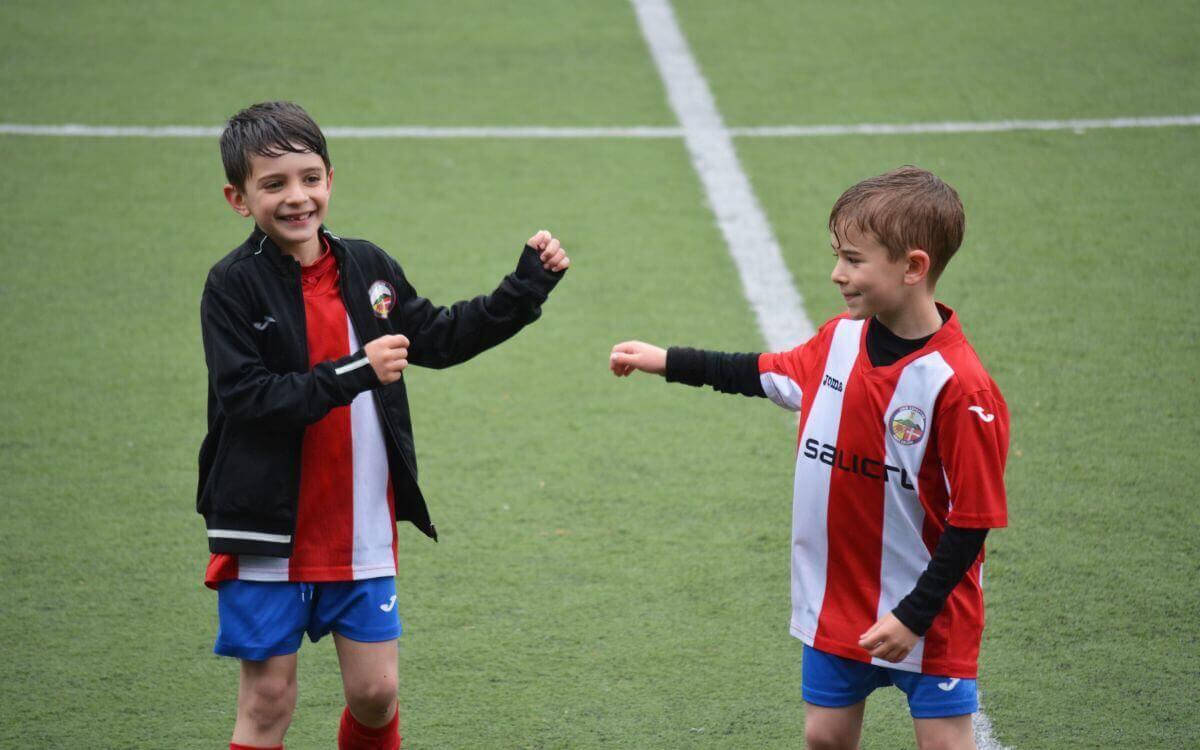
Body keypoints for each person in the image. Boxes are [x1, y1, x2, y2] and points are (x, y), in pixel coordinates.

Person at [197, 101, 570, 750]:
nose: (297, 198)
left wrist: (525, 288)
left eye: (310, 178)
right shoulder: (232, 286)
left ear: (331, 179)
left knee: (375, 695)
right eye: (274, 184)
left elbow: (439, 337)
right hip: (267, 532)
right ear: (239, 197)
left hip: (359, 528)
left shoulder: (367, 267)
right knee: (267, 702)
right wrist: (356, 372)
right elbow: (247, 397)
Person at [609, 167, 1008, 750]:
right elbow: (759, 372)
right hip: (836, 601)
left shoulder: (962, 389)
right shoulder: (838, 342)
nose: (837, 274)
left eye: (853, 259)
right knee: (824, 738)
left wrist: (914, 615)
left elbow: (972, 520)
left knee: (946, 746)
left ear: (913, 267)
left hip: (931, 613)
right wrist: (665, 359)